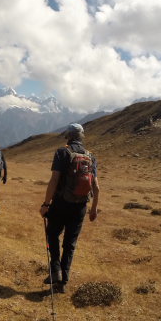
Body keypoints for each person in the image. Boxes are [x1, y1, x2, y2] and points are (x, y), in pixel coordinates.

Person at [39, 123, 99, 293]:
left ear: (68, 136)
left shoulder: (62, 152)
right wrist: (93, 209)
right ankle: (63, 281)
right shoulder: (91, 156)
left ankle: (55, 269)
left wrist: (46, 204)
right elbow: (96, 187)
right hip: (80, 206)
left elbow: (54, 180)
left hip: (60, 203)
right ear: (81, 136)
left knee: (52, 234)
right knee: (70, 243)